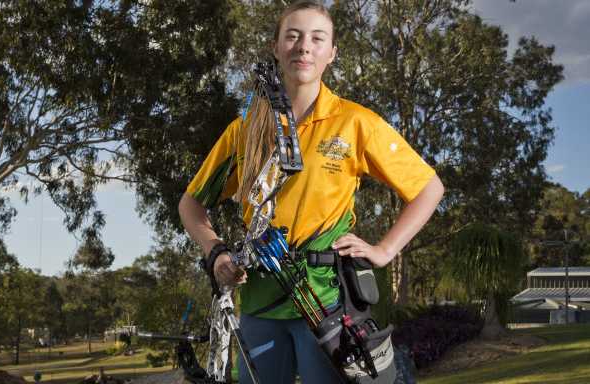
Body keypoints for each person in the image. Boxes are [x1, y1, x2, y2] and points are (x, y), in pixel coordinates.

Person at [178, 1, 444, 383]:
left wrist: (384, 250)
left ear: (332, 53)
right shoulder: (246, 129)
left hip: (326, 303)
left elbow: (428, 188)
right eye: (293, 35)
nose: (304, 46)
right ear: (275, 47)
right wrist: (215, 251)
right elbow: (192, 203)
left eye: (318, 39)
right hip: (260, 302)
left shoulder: (354, 121)